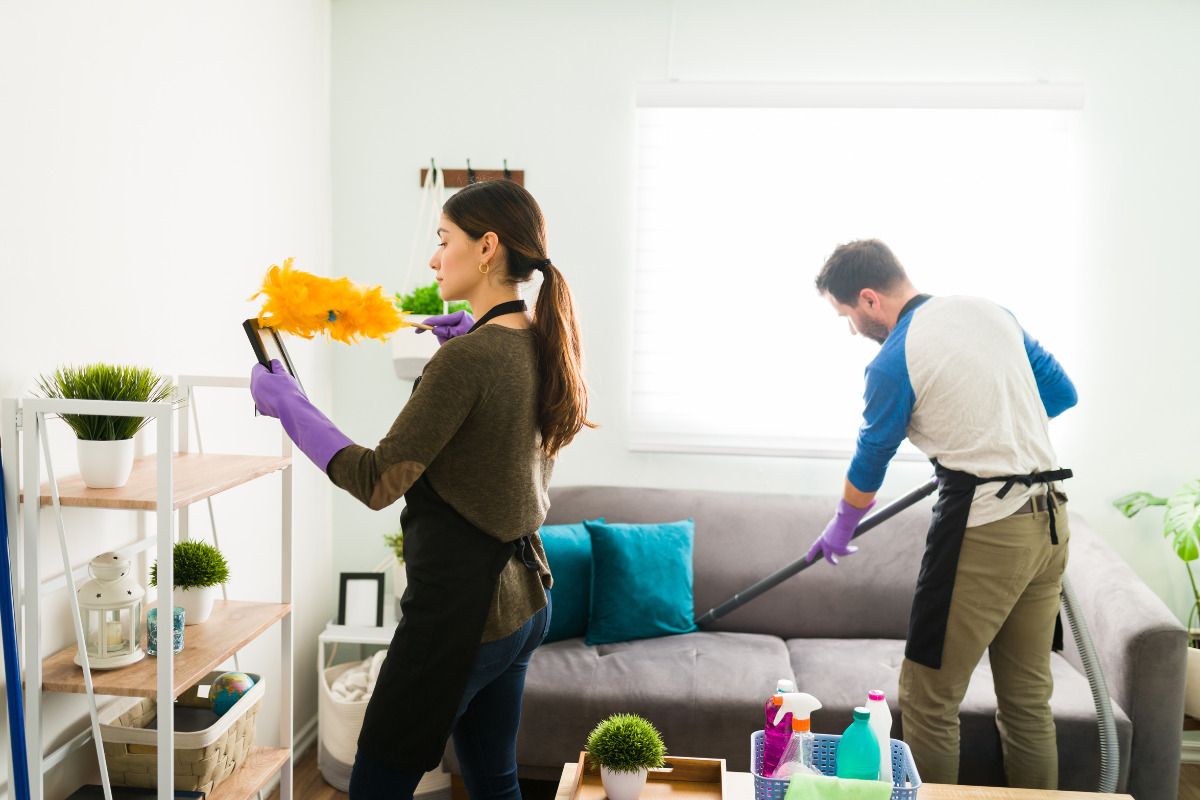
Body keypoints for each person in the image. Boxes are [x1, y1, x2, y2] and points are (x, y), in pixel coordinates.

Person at [249, 179, 594, 800]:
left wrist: (291, 406)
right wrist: (464, 343)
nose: (434, 259)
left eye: (444, 241)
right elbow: (492, 445)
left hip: (463, 618)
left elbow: (380, 480)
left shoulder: (469, 360)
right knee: (495, 783)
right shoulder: (538, 343)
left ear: (487, 247)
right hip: (523, 603)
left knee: (375, 785)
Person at [804, 239, 1077, 789]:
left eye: (848, 317)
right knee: (1026, 699)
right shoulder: (988, 312)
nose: (852, 331)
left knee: (928, 699)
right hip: (1049, 521)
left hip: (988, 529)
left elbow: (870, 459)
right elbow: (1061, 392)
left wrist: (842, 525)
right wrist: (984, 432)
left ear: (869, 299)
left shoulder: (892, 361)